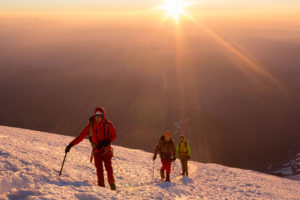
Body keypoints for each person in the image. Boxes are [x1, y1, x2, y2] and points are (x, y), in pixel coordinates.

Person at [65, 107, 117, 190]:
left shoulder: (108, 125)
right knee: (99, 170)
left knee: (109, 168)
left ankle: (112, 187)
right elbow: (81, 136)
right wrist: (71, 144)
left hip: (106, 150)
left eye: (99, 117)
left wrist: (106, 142)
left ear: (103, 116)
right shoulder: (91, 126)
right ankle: (101, 188)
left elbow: (114, 135)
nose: (97, 118)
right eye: (96, 116)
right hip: (97, 151)